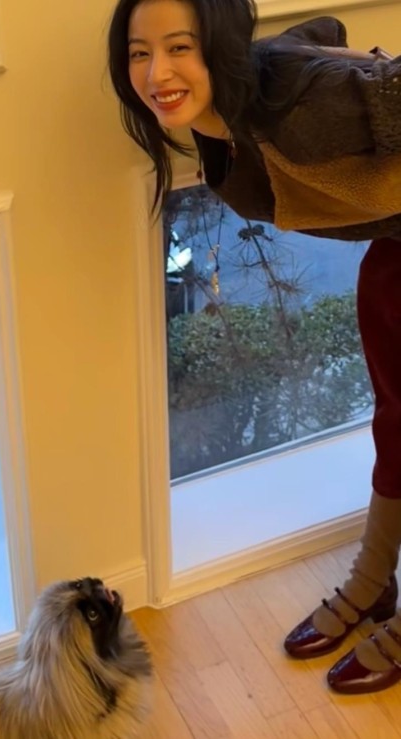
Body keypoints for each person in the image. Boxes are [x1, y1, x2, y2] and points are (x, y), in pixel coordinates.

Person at [107, 0, 401, 695]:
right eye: (140, 53)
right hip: (396, 245)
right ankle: (373, 580)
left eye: (180, 47)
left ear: (220, 47)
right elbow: (322, 34)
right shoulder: (233, 118)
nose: (157, 73)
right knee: (394, 420)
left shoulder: (304, 114)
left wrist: (345, 80)